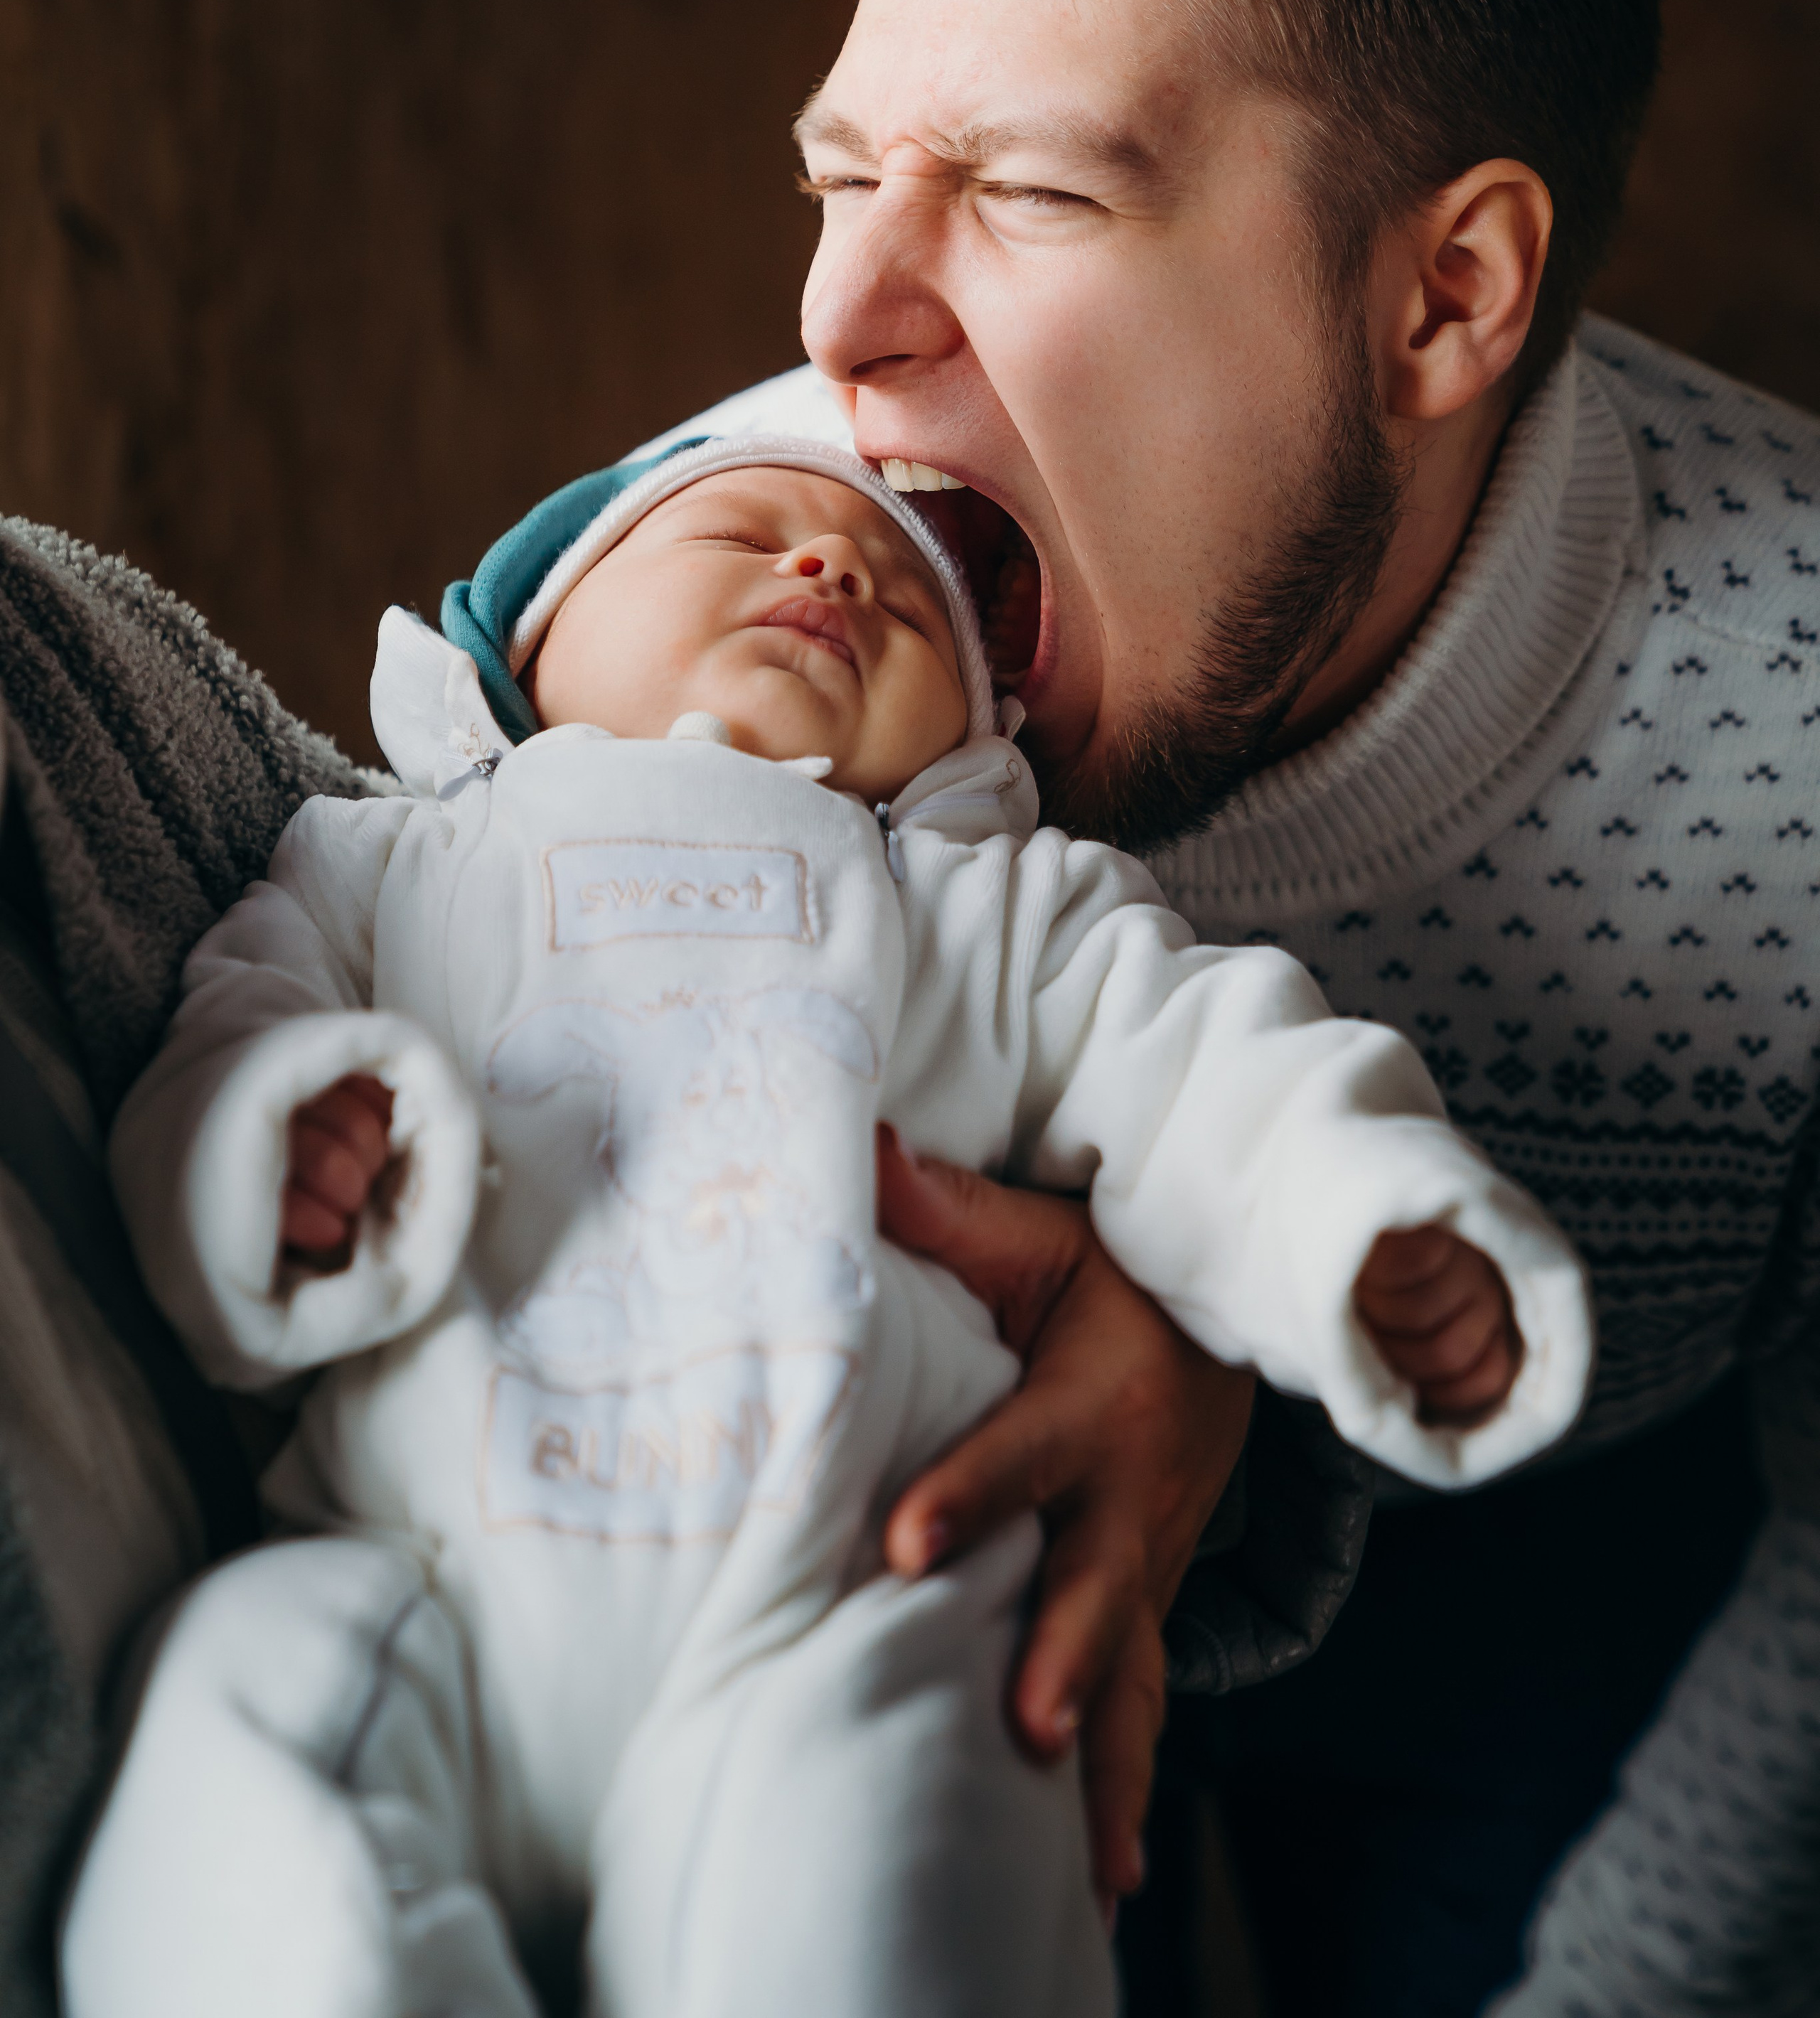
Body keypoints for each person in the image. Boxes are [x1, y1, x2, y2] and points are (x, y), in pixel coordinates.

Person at [615, 0, 1819, 2014]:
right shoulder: (732, 601)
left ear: (1444, 301)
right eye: (846, 171)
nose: (842, 324)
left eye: (1035, 193)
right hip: (958, 1562)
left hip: (1602, 1576)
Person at [62, 441, 1590, 2018]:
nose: (831, 572)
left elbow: (1209, 1063)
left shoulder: (976, 906)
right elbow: (220, 1048)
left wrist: (1358, 1215)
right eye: (740, 527)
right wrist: (282, 1154)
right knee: (240, 1744)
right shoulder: (383, 857)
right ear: (523, 645)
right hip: (417, 1569)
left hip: (849, 1603)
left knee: (889, 1901)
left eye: (910, 607)